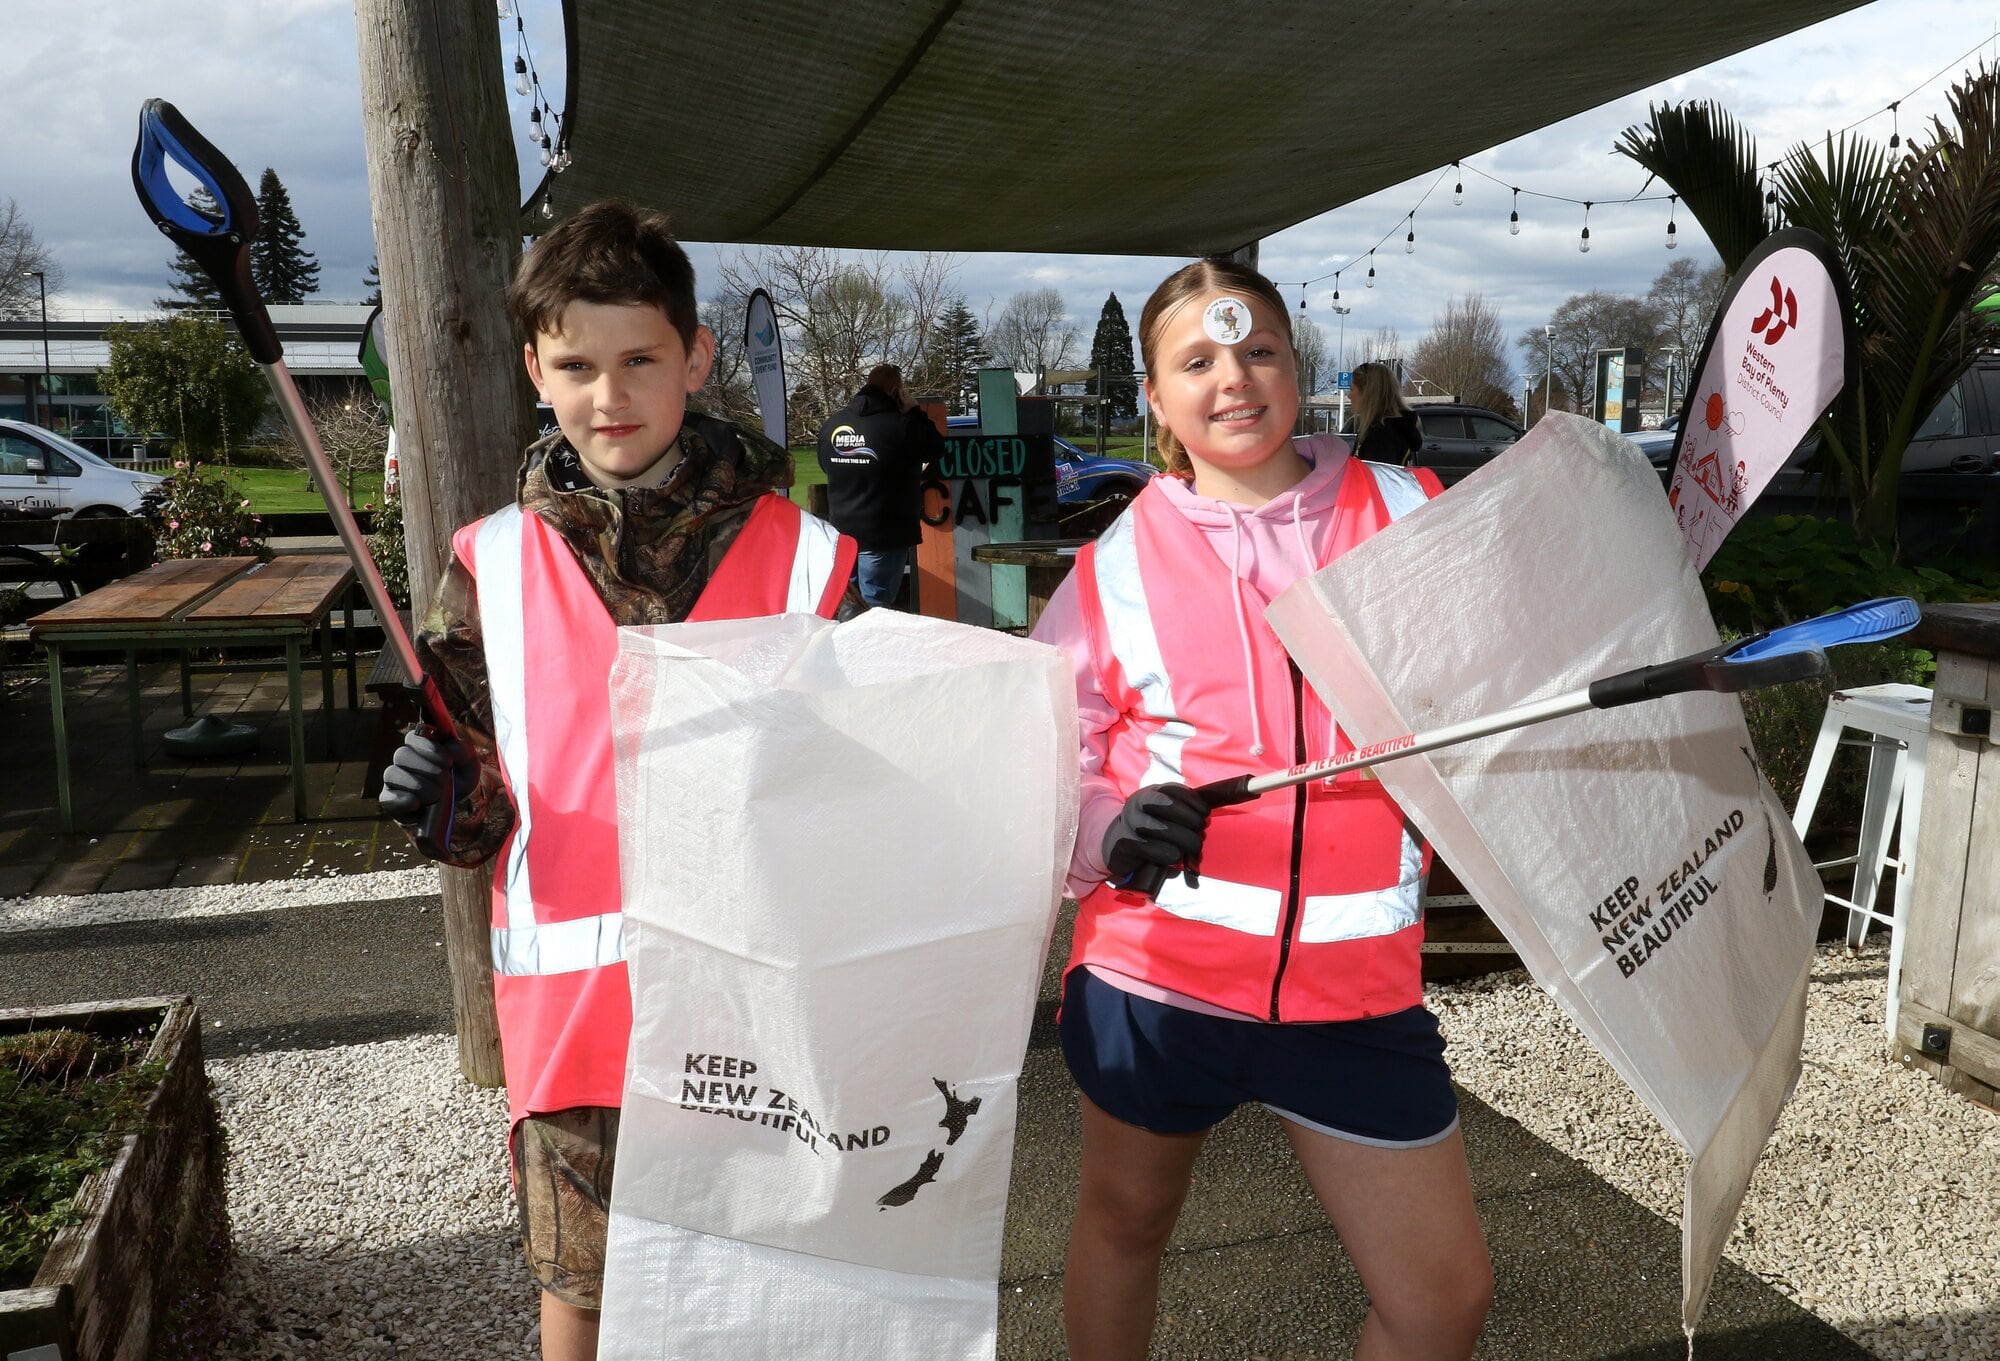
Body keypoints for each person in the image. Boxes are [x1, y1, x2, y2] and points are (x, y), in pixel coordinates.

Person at [376, 200, 856, 1361]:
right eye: (578, 365)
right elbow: (481, 784)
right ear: (537, 369)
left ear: (694, 354)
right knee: (582, 1291)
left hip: (754, 1004)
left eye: (640, 358)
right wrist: (442, 794)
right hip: (574, 1022)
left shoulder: (805, 554)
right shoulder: (488, 563)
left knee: (750, 1287)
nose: (611, 395)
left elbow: (865, 782)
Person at [1030, 259, 1492, 1361]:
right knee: (1125, 1223)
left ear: (1297, 367)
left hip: (1356, 996)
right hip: (1158, 980)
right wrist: (1109, 826)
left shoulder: (1407, 513)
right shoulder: (1110, 566)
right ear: (1153, 396)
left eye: (1258, 351)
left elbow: (1494, 677)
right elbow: (1042, 771)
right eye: (1196, 360)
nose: (1232, 379)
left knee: (1441, 1302)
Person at [816, 363, 944, 608]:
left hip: (843, 533)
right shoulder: (901, 425)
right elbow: (935, 447)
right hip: (885, 533)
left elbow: (825, 465)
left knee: (848, 606)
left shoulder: (833, 425)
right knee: (877, 608)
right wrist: (915, 411)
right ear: (896, 391)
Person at [1348, 360, 1423, 463]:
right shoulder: (1395, 429)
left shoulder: (1380, 437)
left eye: (1352, 389)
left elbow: (1375, 477)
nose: (1349, 395)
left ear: (1367, 393)